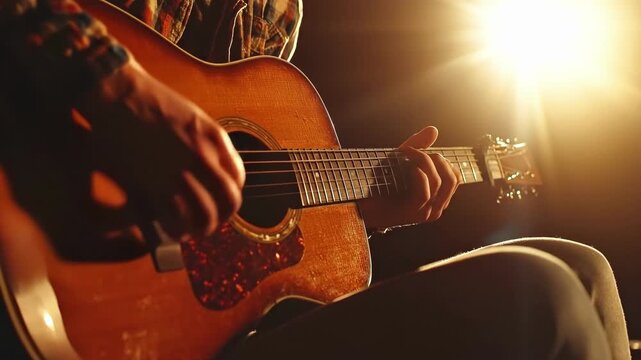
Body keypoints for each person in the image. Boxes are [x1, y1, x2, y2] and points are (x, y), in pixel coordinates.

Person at [0, 0, 631, 359]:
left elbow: (233, 212)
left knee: (583, 269)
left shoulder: (274, 11)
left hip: (185, 334)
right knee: (541, 296)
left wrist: (362, 215)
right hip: (37, 271)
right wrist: (114, 85)